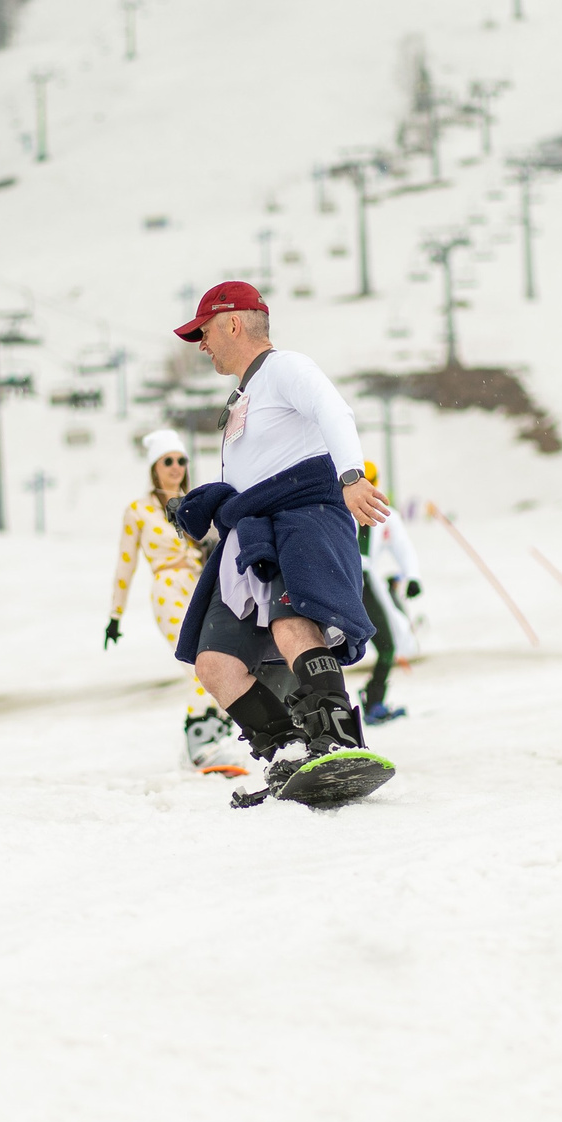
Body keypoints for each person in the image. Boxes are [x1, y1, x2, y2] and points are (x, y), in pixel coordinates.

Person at [166, 280, 390, 806]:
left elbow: (335, 411)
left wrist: (351, 475)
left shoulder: (286, 367)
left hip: (301, 518)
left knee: (293, 624)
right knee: (214, 664)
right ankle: (287, 751)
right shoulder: (244, 395)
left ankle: (337, 738)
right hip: (252, 534)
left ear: (233, 323)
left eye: (204, 332)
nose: (202, 345)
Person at [106, 428, 243, 770]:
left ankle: (213, 735)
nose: (176, 467)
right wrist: (115, 615)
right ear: (154, 466)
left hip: (200, 585)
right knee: (196, 664)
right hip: (167, 587)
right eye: (167, 461)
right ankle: (201, 742)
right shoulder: (138, 510)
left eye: (181, 460)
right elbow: (125, 564)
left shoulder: (194, 503)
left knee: (219, 658)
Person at [355, 459, 422, 723]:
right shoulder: (337, 511)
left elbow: (403, 547)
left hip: (365, 583)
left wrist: (412, 576)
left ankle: (374, 702)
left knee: (386, 645)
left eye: (370, 482)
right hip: (339, 582)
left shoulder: (386, 516)